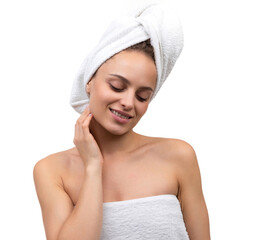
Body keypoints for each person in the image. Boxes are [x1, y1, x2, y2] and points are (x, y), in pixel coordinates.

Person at [33, 3, 210, 240]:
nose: (128, 102)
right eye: (117, 86)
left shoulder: (178, 156)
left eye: (142, 96)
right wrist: (93, 166)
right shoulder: (52, 170)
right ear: (90, 81)